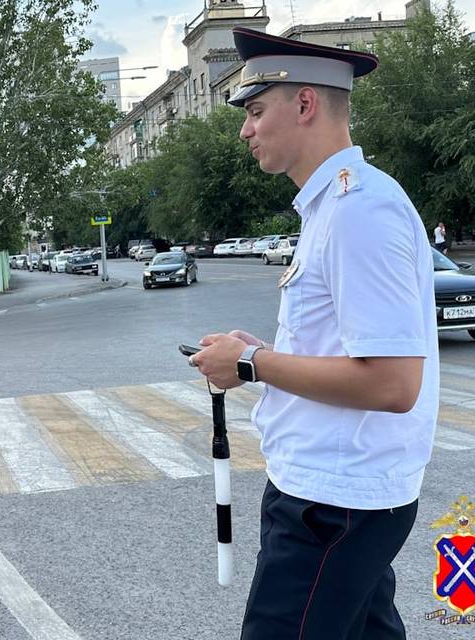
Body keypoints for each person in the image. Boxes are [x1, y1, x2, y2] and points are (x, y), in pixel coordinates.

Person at [190, 28, 438, 639]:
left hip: (333, 505)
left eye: (254, 110)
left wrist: (251, 363)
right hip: (334, 494)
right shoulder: (335, 207)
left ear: (304, 104)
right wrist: (266, 355)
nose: (245, 130)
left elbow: (392, 382)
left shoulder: (359, 211)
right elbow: (346, 354)